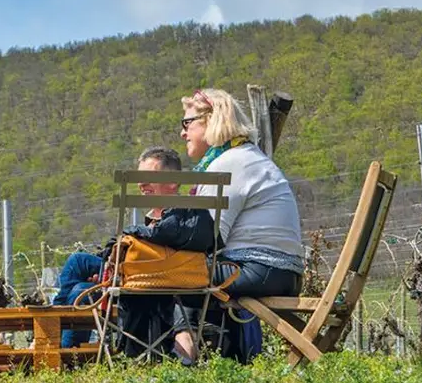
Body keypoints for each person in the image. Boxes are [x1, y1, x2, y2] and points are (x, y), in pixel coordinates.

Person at [178, 88, 304, 360]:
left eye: (187, 123)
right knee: (181, 273)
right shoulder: (244, 157)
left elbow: (208, 237)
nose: (182, 133)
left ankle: (180, 356)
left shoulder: (231, 163)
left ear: (211, 120)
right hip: (277, 270)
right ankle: (219, 357)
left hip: (260, 268)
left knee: (168, 276)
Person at [52, 147, 213, 361]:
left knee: (79, 273)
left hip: (153, 276)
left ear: (173, 182)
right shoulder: (173, 216)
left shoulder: (182, 216)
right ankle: (59, 349)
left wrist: (128, 238)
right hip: (145, 272)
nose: (141, 184)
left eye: (149, 176)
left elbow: (166, 247)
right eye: (139, 177)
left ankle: (56, 347)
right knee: (79, 277)